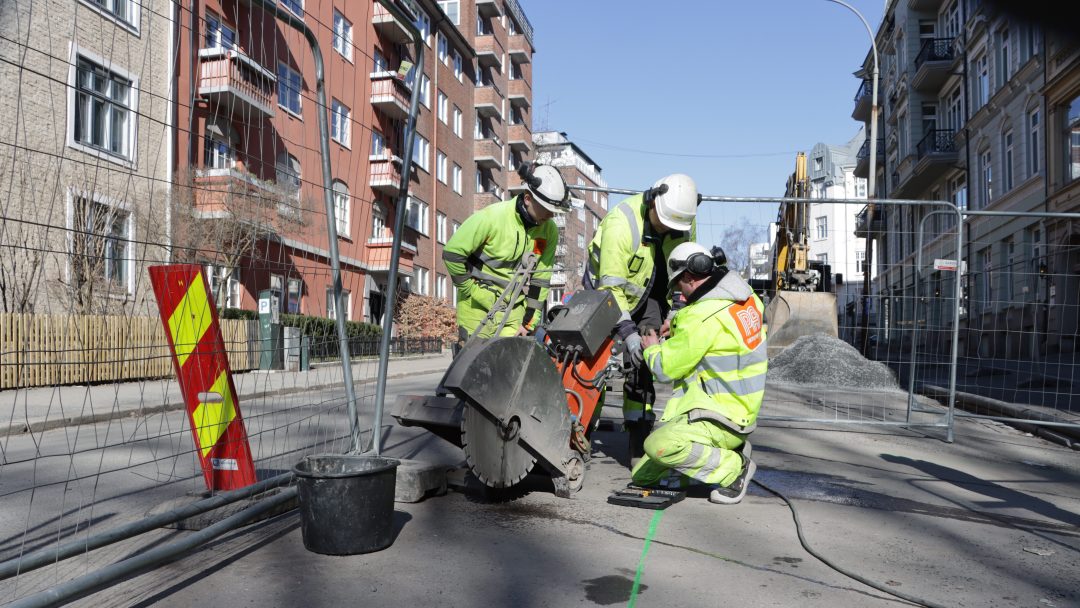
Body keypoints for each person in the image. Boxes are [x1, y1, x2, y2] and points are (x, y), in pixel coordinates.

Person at [632, 242, 767, 505]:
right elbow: (710, 325)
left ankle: (734, 467)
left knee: (658, 446)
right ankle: (729, 449)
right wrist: (679, 323)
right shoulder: (745, 297)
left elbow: (665, 368)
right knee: (642, 477)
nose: (680, 294)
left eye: (679, 286)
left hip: (719, 416)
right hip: (737, 409)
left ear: (689, 278)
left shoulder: (702, 318)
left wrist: (651, 349)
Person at [585, 174, 699, 463]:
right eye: (663, 225)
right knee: (593, 361)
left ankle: (639, 434)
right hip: (606, 293)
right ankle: (581, 430)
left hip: (651, 294)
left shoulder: (683, 218)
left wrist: (675, 309)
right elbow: (611, 289)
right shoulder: (621, 224)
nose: (667, 231)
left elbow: (685, 271)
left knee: (642, 363)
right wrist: (627, 333)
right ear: (652, 202)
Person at [442, 162, 570, 347]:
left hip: (514, 311)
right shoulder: (492, 218)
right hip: (476, 309)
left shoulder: (549, 232)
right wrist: (472, 291)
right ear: (528, 198)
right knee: (475, 371)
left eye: (554, 211)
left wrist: (528, 322)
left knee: (510, 369)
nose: (551, 215)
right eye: (547, 208)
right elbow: (452, 253)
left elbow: (540, 280)